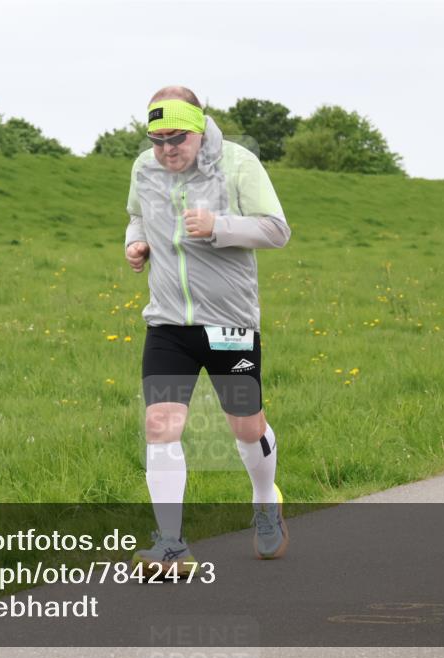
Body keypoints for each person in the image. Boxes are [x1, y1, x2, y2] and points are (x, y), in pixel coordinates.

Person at [124, 86, 291, 573]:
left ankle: (265, 500)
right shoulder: (143, 168)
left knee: (245, 426)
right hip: (168, 323)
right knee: (160, 426)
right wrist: (135, 245)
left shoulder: (238, 164)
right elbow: (137, 218)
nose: (166, 149)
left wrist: (219, 225)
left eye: (175, 138)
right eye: (156, 139)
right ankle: (171, 544)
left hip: (229, 323)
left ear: (198, 128)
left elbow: (277, 230)